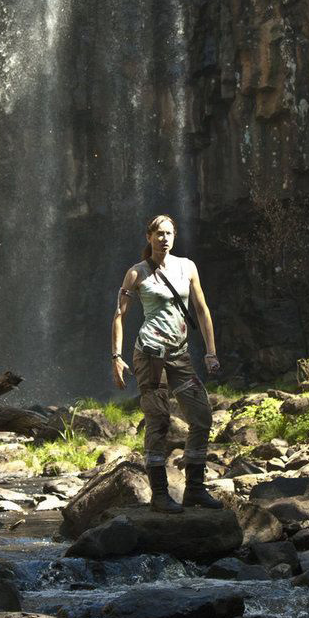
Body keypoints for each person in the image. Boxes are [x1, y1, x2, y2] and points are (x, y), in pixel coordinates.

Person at [111, 213, 223, 513]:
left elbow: (202, 309)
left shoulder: (188, 267)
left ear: (175, 236)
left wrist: (210, 352)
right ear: (149, 237)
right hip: (150, 355)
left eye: (169, 233)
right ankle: (160, 495)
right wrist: (116, 357)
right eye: (159, 233)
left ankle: (194, 490)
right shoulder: (136, 273)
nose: (164, 238)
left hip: (179, 354)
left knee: (202, 416)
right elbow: (120, 315)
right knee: (158, 420)